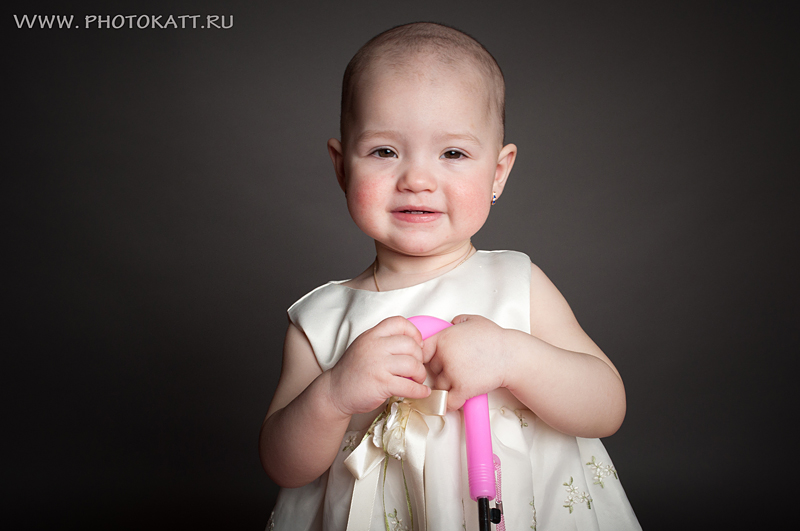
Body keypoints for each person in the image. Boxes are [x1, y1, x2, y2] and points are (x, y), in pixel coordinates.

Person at [259, 22, 641, 530]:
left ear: (498, 173)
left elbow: (606, 406)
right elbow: (284, 466)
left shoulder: (516, 283)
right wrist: (333, 395)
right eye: (384, 151)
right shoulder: (323, 319)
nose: (417, 179)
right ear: (342, 167)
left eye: (453, 153)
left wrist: (512, 356)